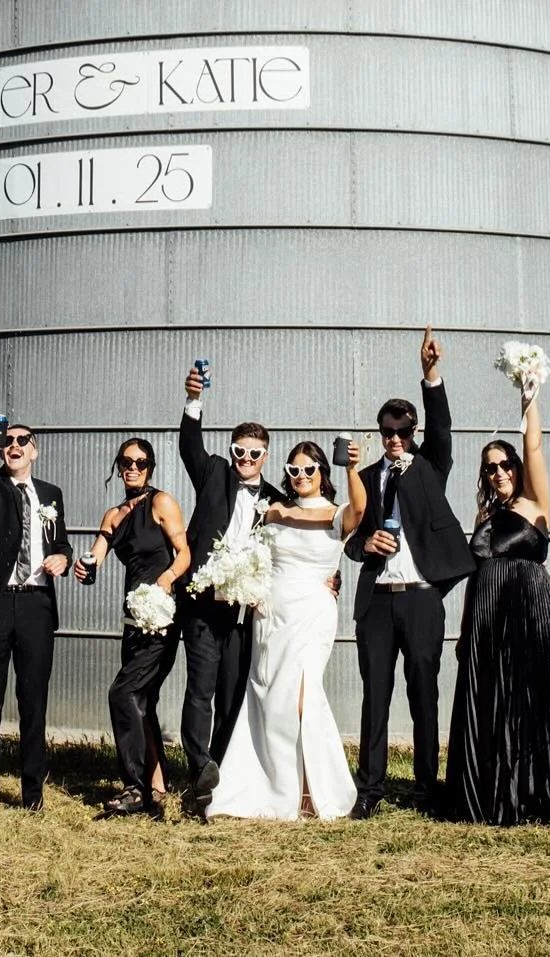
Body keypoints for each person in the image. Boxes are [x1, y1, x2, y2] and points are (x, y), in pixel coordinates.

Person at [344, 326, 475, 818]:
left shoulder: (430, 467)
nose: (396, 440)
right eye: (389, 433)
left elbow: (442, 430)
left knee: (425, 692)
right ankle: (370, 790)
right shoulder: (366, 477)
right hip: (377, 599)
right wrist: (364, 543)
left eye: (403, 432)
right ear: (380, 434)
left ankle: (425, 789)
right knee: (375, 695)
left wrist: (431, 375)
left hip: (421, 598)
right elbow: (352, 536)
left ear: (413, 434)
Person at [208, 438, 367, 822]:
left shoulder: (335, 513)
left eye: (309, 470)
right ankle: (275, 785)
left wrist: (352, 469)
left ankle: (314, 790)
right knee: (269, 698)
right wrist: (251, 588)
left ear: (321, 473)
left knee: (302, 695)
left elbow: (360, 509)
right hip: (271, 615)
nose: (301, 476)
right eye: (294, 470)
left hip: (311, 613)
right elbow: (253, 555)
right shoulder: (274, 509)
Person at [444, 382, 550, 825]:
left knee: (527, 695)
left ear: (516, 467)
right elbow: (473, 574)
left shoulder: (535, 502)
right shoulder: (484, 516)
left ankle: (530, 793)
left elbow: (535, 445)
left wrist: (529, 399)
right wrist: (465, 630)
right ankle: (486, 794)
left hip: (528, 607)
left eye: (504, 464)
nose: (498, 472)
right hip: (486, 614)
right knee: (488, 696)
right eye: (490, 468)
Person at [177, 367, 284, 815]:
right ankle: (198, 767)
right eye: (240, 450)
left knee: (233, 695)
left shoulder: (276, 499)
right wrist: (193, 402)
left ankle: (215, 777)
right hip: (204, 607)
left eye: (254, 453)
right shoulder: (214, 472)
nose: (245, 458)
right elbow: (189, 445)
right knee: (200, 691)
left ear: (265, 455)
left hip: (243, 616)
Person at [73, 437, 190, 819]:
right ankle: (156, 786)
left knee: (122, 694)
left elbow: (184, 553)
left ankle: (134, 786)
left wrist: (167, 579)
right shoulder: (113, 515)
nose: (133, 467)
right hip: (132, 622)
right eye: (126, 462)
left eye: (140, 462)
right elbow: (96, 559)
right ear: (118, 466)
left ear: (151, 466)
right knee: (142, 703)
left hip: (160, 620)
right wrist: (84, 570)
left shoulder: (162, 502)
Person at [0, 420, 72, 813]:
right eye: (9, 442)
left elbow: (61, 542)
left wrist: (63, 556)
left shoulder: (51, 494)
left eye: (23, 441)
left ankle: (32, 792)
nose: (15, 446)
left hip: (36, 605)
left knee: (33, 701)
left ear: (35, 450)